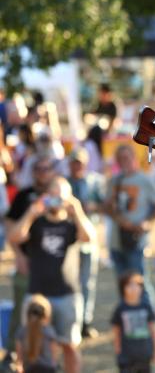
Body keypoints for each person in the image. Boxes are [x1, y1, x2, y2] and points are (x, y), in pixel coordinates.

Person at [8, 176, 94, 373]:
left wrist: (77, 210)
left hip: (67, 294)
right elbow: (14, 236)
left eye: (60, 196)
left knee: (69, 346)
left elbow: (89, 238)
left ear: (69, 198)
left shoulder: (73, 225)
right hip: (37, 295)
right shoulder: (36, 223)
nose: (56, 200)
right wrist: (31, 212)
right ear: (45, 197)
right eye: (52, 195)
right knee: (32, 342)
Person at [3, 156, 58, 369]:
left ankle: (47, 356)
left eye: (47, 168)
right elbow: (9, 225)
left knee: (49, 312)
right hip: (28, 262)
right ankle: (12, 353)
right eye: (39, 168)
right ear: (33, 171)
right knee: (22, 310)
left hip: (52, 264)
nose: (43, 172)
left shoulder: (59, 194)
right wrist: (18, 255)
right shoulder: (25, 195)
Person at [105, 145, 155, 313]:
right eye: (121, 158)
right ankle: (128, 314)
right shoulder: (114, 181)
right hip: (117, 238)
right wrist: (120, 220)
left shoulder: (145, 180)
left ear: (134, 158)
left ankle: (148, 314)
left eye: (127, 157)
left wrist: (147, 222)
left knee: (139, 280)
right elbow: (107, 207)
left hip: (136, 240)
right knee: (122, 281)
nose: (125, 161)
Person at [66, 147, 105, 339]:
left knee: (87, 281)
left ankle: (85, 320)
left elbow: (106, 204)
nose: (76, 167)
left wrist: (94, 206)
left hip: (89, 236)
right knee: (71, 280)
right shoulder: (64, 184)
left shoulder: (94, 182)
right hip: (69, 239)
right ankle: (73, 318)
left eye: (80, 163)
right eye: (73, 163)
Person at [111, 271, 155, 373]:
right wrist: (118, 350)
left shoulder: (146, 307)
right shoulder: (121, 309)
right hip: (126, 356)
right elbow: (116, 331)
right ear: (123, 288)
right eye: (130, 285)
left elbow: (153, 330)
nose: (134, 288)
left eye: (137, 285)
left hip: (144, 354)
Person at [15, 294, 60, 373]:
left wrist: (19, 367)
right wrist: (54, 365)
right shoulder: (49, 331)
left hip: (28, 368)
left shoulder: (21, 331)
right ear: (46, 314)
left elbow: (19, 356)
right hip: (48, 368)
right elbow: (54, 353)